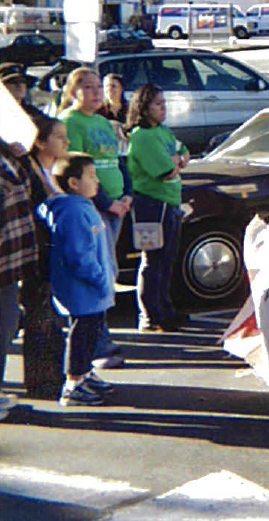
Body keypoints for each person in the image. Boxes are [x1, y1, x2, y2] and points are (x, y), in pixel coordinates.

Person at [58, 68, 132, 367]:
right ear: (73, 92)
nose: (94, 92)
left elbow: (118, 160)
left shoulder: (103, 121)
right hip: (96, 208)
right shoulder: (70, 122)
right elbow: (75, 169)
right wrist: (105, 202)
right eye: (86, 87)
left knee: (109, 270)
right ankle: (96, 344)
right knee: (96, 273)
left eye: (97, 87)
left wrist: (127, 194)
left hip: (116, 206)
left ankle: (101, 335)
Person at [37, 153, 117, 406]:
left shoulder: (82, 206)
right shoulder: (71, 211)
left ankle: (84, 374)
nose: (97, 181)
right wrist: (100, 279)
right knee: (82, 332)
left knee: (91, 330)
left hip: (91, 287)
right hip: (83, 287)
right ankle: (74, 384)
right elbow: (78, 255)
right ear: (73, 183)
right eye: (91, 176)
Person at [126, 84, 189, 332]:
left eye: (164, 103)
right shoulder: (142, 136)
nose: (164, 109)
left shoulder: (163, 130)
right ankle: (151, 314)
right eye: (157, 104)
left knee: (168, 259)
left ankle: (165, 306)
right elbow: (166, 171)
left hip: (171, 200)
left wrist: (178, 159)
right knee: (154, 260)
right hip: (152, 203)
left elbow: (183, 152)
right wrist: (176, 161)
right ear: (144, 108)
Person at [20, 116, 68, 396]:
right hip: (38, 254)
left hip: (59, 253)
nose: (66, 142)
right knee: (40, 315)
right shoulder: (30, 172)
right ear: (39, 141)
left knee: (54, 317)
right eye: (59, 136)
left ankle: (55, 373)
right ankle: (40, 380)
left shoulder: (62, 170)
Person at [0, 137, 38, 419]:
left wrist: (21, 158)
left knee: (7, 323)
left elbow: (29, 186)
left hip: (8, 262)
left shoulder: (6, 151)